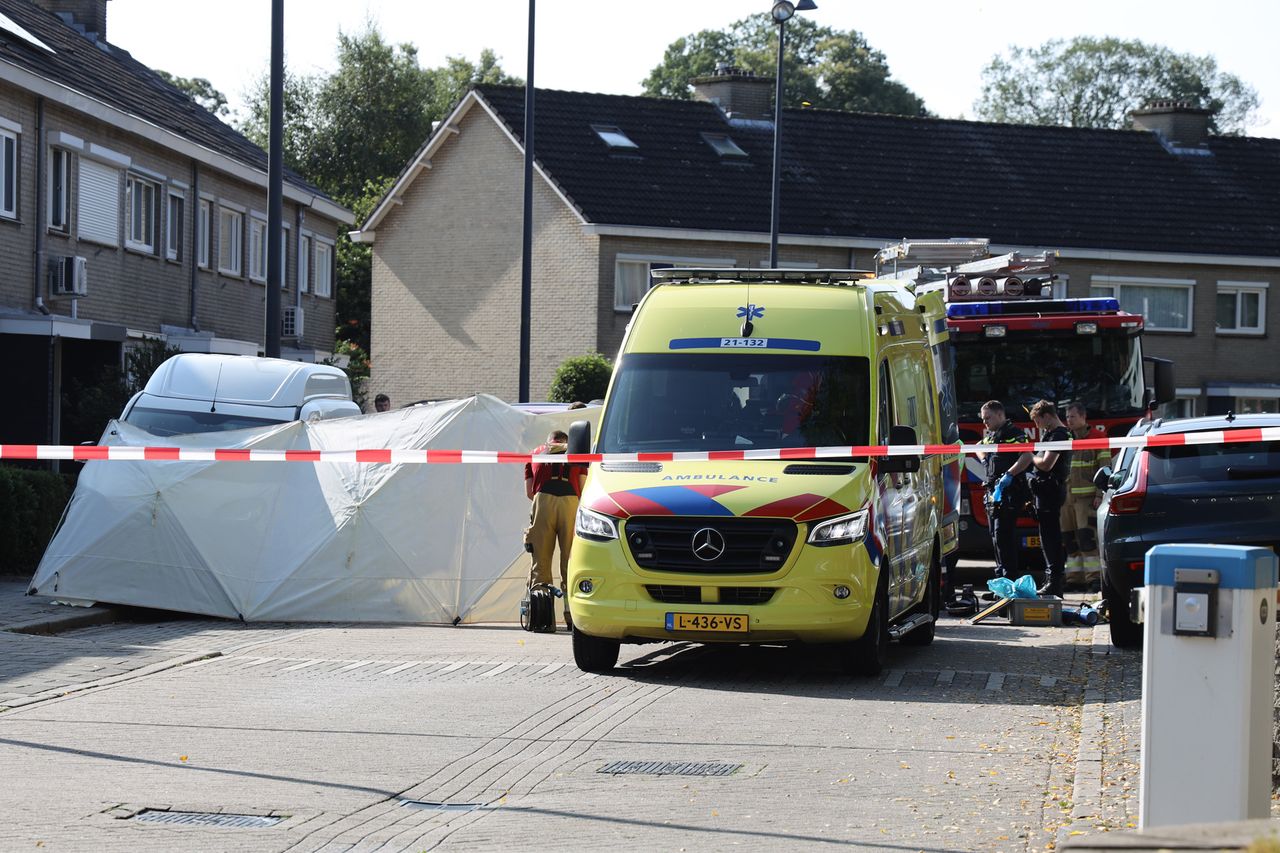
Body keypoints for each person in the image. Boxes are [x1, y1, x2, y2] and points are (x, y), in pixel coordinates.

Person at [524, 430, 587, 631]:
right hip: (571, 503)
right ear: (566, 442)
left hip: (542, 501)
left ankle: (543, 618)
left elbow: (529, 492)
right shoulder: (577, 453)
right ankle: (572, 617)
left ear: (549, 441)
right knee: (570, 560)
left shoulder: (533, 453)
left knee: (540, 562)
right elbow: (583, 488)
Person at [975, 400, 1033, 579]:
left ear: (1000, 415)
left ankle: (1009, 578)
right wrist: (985, 459)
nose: (985, 423)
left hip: (1010, 492)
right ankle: (1001, 577)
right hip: (995, 493)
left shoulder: (1014, 433)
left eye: (988, 418)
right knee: (995, 536)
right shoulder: (992, 436)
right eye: (983, 419)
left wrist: (1009, 474)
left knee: (1003, 536)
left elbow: (1027, 455)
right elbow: (977, 447)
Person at [1061, 402, 1110, 592]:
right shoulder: (1065, 439)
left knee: (1087, 538)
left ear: (1083, 417)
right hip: (1066, 499)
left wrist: (1100, 494)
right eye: (1067, 417)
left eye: (1072, 417)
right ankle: (1074, 579)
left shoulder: (1098, 438)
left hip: (1087, 499)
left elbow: (1105, 468)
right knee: (1070, 539)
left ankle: (1094, 579)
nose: (1069, 421)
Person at [1027, 400, 1073, 597]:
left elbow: (1046, 464)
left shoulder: (1059, 434)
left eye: (1037, 421)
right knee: (1047, 538)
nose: (1037, 426)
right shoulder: (1053, 434)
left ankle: (1054, 582)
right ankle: (1051, 579)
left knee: (1051, 538)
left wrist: (1029, 455)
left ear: (1047, 416)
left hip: (1050, 491)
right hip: (1046, 491)